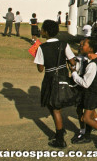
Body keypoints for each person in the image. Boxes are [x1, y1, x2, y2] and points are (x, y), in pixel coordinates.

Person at [34, 20, 76, 148]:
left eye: (42, 29)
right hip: (63, 78)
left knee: (55, 108)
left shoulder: (42, 48)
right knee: (54, 106)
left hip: (50, 80)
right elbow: (73, 62)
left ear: (46, 32)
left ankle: (60, 138)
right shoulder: (64, 44)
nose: (40, 31)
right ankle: (60, 128)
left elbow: (40, 69)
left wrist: (38, 56)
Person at [71, 39, 97, 149]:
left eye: (83, 44)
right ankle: (87, 136)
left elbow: (85, 83)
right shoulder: (87, 58)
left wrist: (74, 75)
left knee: (86, 118)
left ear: (90, 49)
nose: (80, 46)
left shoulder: (92, 64)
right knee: (88, 114)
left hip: (92, 93)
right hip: (90, 93)